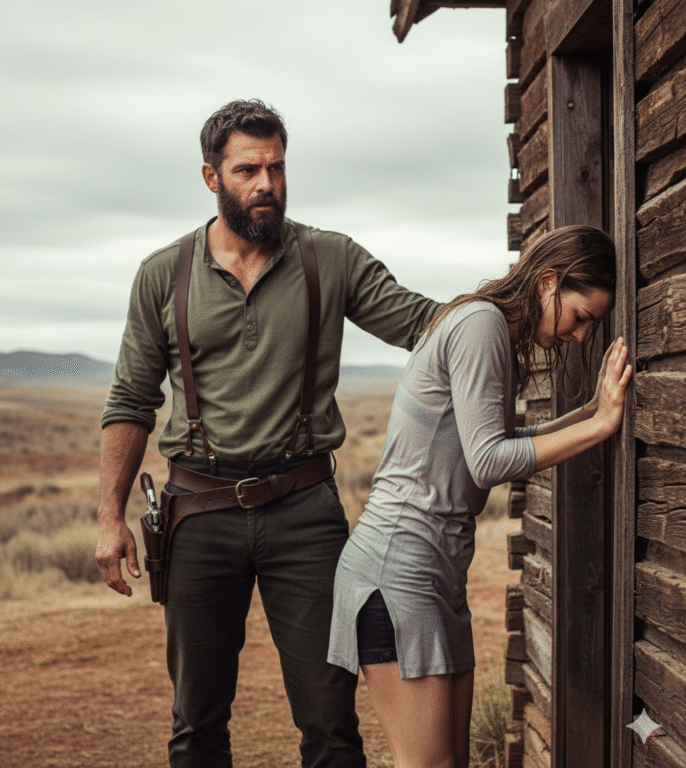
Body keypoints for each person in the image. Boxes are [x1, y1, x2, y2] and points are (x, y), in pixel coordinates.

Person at [94, 99, 443, 768]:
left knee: (331, 723)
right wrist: (110, 517)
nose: (266, 184)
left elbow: (425, 324)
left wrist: (522, 307)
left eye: (277, 168)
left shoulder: (331, 258)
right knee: (196, 723)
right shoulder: (162, 275)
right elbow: (131, 401)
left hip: (304, 512)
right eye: (248, 170)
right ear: (210, 177)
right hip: (197, 513)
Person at [327, 225, 632, 768]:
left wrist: (588, 414)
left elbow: (495, 441)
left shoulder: (489, 329)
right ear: (549, 282)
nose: (582, 335)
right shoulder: (480, 324)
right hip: (397, 571)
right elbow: (488, 461)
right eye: (581, 316)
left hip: (435, 574)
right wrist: (600, 426)